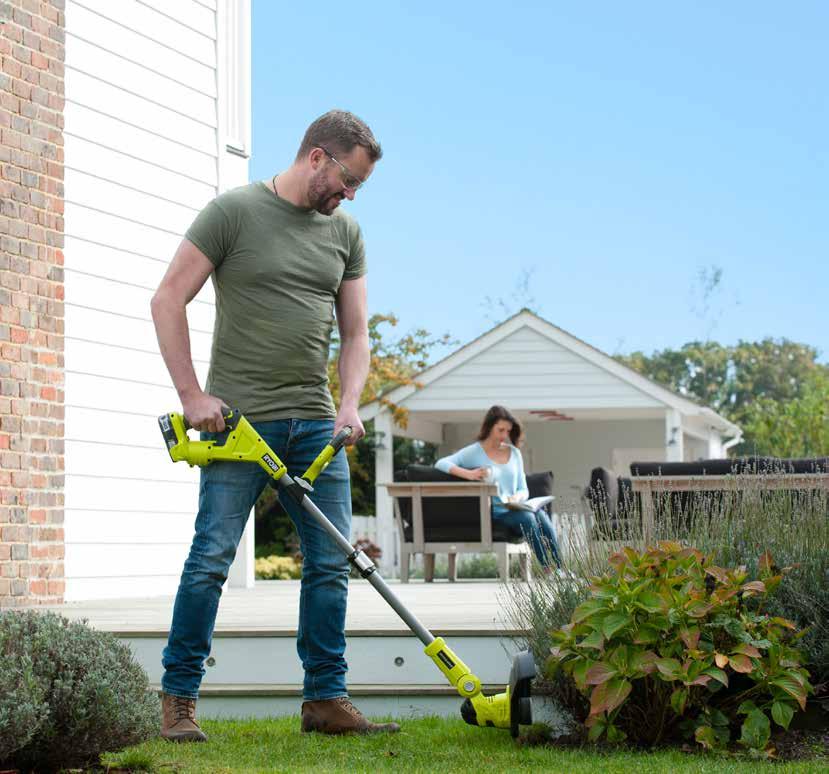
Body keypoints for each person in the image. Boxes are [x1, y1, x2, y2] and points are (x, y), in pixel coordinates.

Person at [150, 110, 399, 741]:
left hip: (318, 423)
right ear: (317, 156)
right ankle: (178, 699)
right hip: (240, 423)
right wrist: (191, 395)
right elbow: (167, 297)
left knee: (328, 562)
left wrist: (349, 404)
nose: (349, 194)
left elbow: (357, 331)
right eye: (348, 179)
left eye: (359, 187)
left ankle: (325, 698)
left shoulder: (346, 233)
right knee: (211, 558)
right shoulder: (232, 212)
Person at [435, 405, 562, 569]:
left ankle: (560, 569)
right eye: (500, 430)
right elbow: (441, 463)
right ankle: (547, 568)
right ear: (489, 427)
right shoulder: (474, 452)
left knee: (542, 516)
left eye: (508, 431)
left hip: (516, 506)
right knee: (529, 518)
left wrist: (517, 497)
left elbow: (523, 489)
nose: (505, 435)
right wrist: (470, 474)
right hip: (495, 512)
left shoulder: (514, 454)